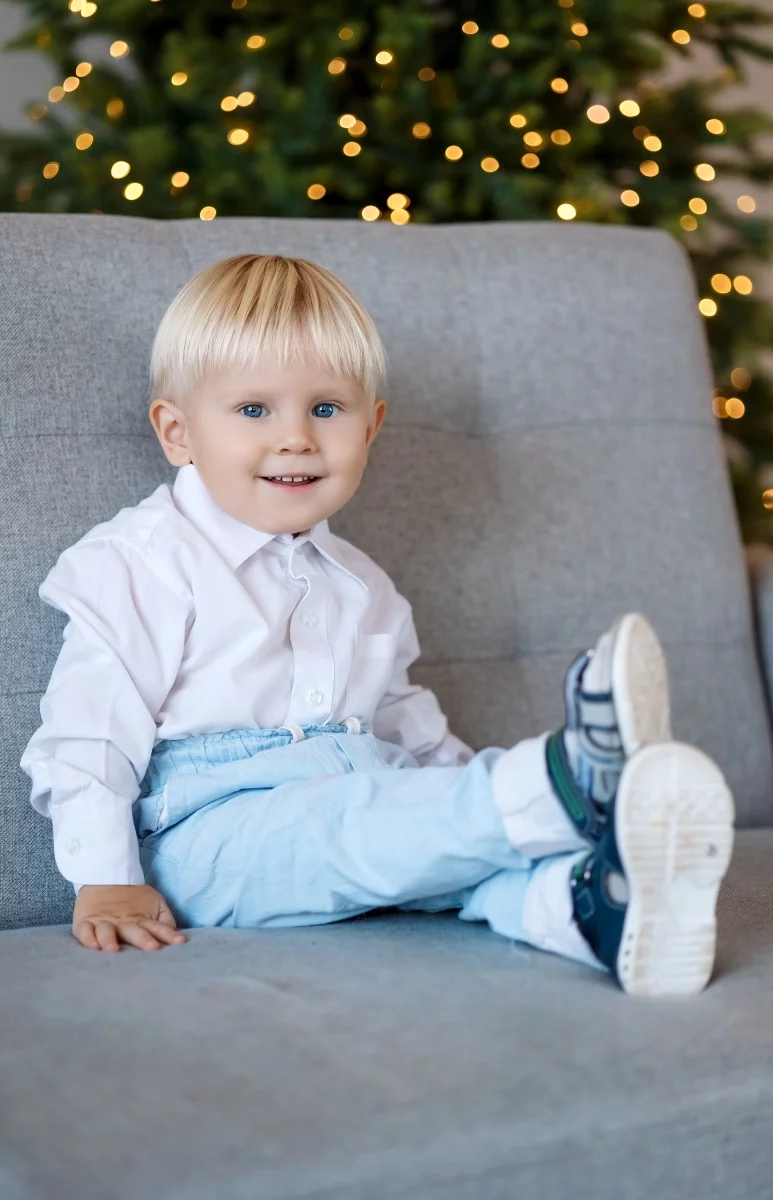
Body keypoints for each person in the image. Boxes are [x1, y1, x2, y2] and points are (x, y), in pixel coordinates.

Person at [19, 253, 735, 997]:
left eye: (327, 409)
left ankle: (589, 912)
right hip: (211, 835)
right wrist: (106, 878)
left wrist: (451, 785)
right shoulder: (141, 562)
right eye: (254, 410)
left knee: (436, 848)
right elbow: (90, 736)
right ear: (178, 432)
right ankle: (562, 784)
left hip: (362, 786)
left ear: (372, 427)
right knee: (362, 825)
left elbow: (401, 717)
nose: (296, 437)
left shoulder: (364, 583)